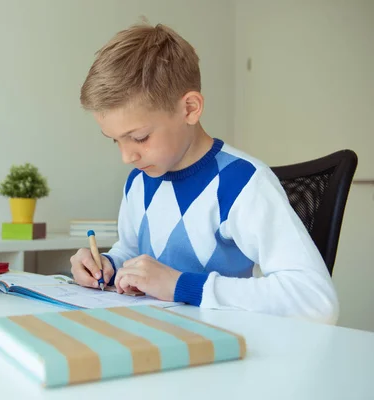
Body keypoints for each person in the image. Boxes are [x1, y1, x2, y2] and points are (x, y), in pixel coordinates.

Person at [69, 22, 338, 324]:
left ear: (190, 108)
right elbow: (130, 252)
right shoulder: (139, 182)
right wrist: (106, 265)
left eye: (140, 137)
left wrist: (181, 286)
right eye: (115, 140)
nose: (126, 156)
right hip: (155, 340)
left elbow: (315, 299)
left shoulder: (243, 183)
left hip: (226, 353)